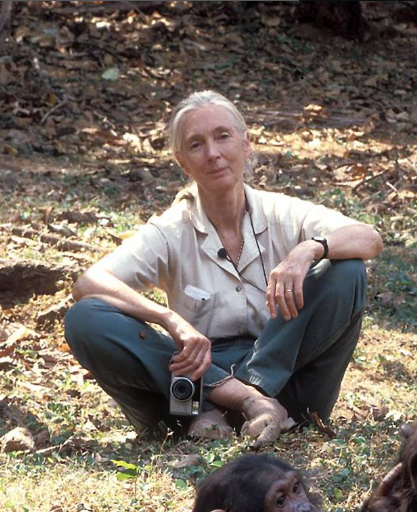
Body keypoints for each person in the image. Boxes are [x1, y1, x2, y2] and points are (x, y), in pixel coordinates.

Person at [65, 90, 383, 444]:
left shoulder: (283, 213)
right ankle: (237, 403)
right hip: (189, 395)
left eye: (223, 136)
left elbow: (368, 238)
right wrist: (169, 319)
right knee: (86, 318)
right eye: (197, 144)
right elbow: (89, 282)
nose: (213, 154)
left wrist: (308, 250)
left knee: (346, 270)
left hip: (288, 390)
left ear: (246, 144)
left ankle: (259, 401)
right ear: (183, 162)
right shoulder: (171, 230)